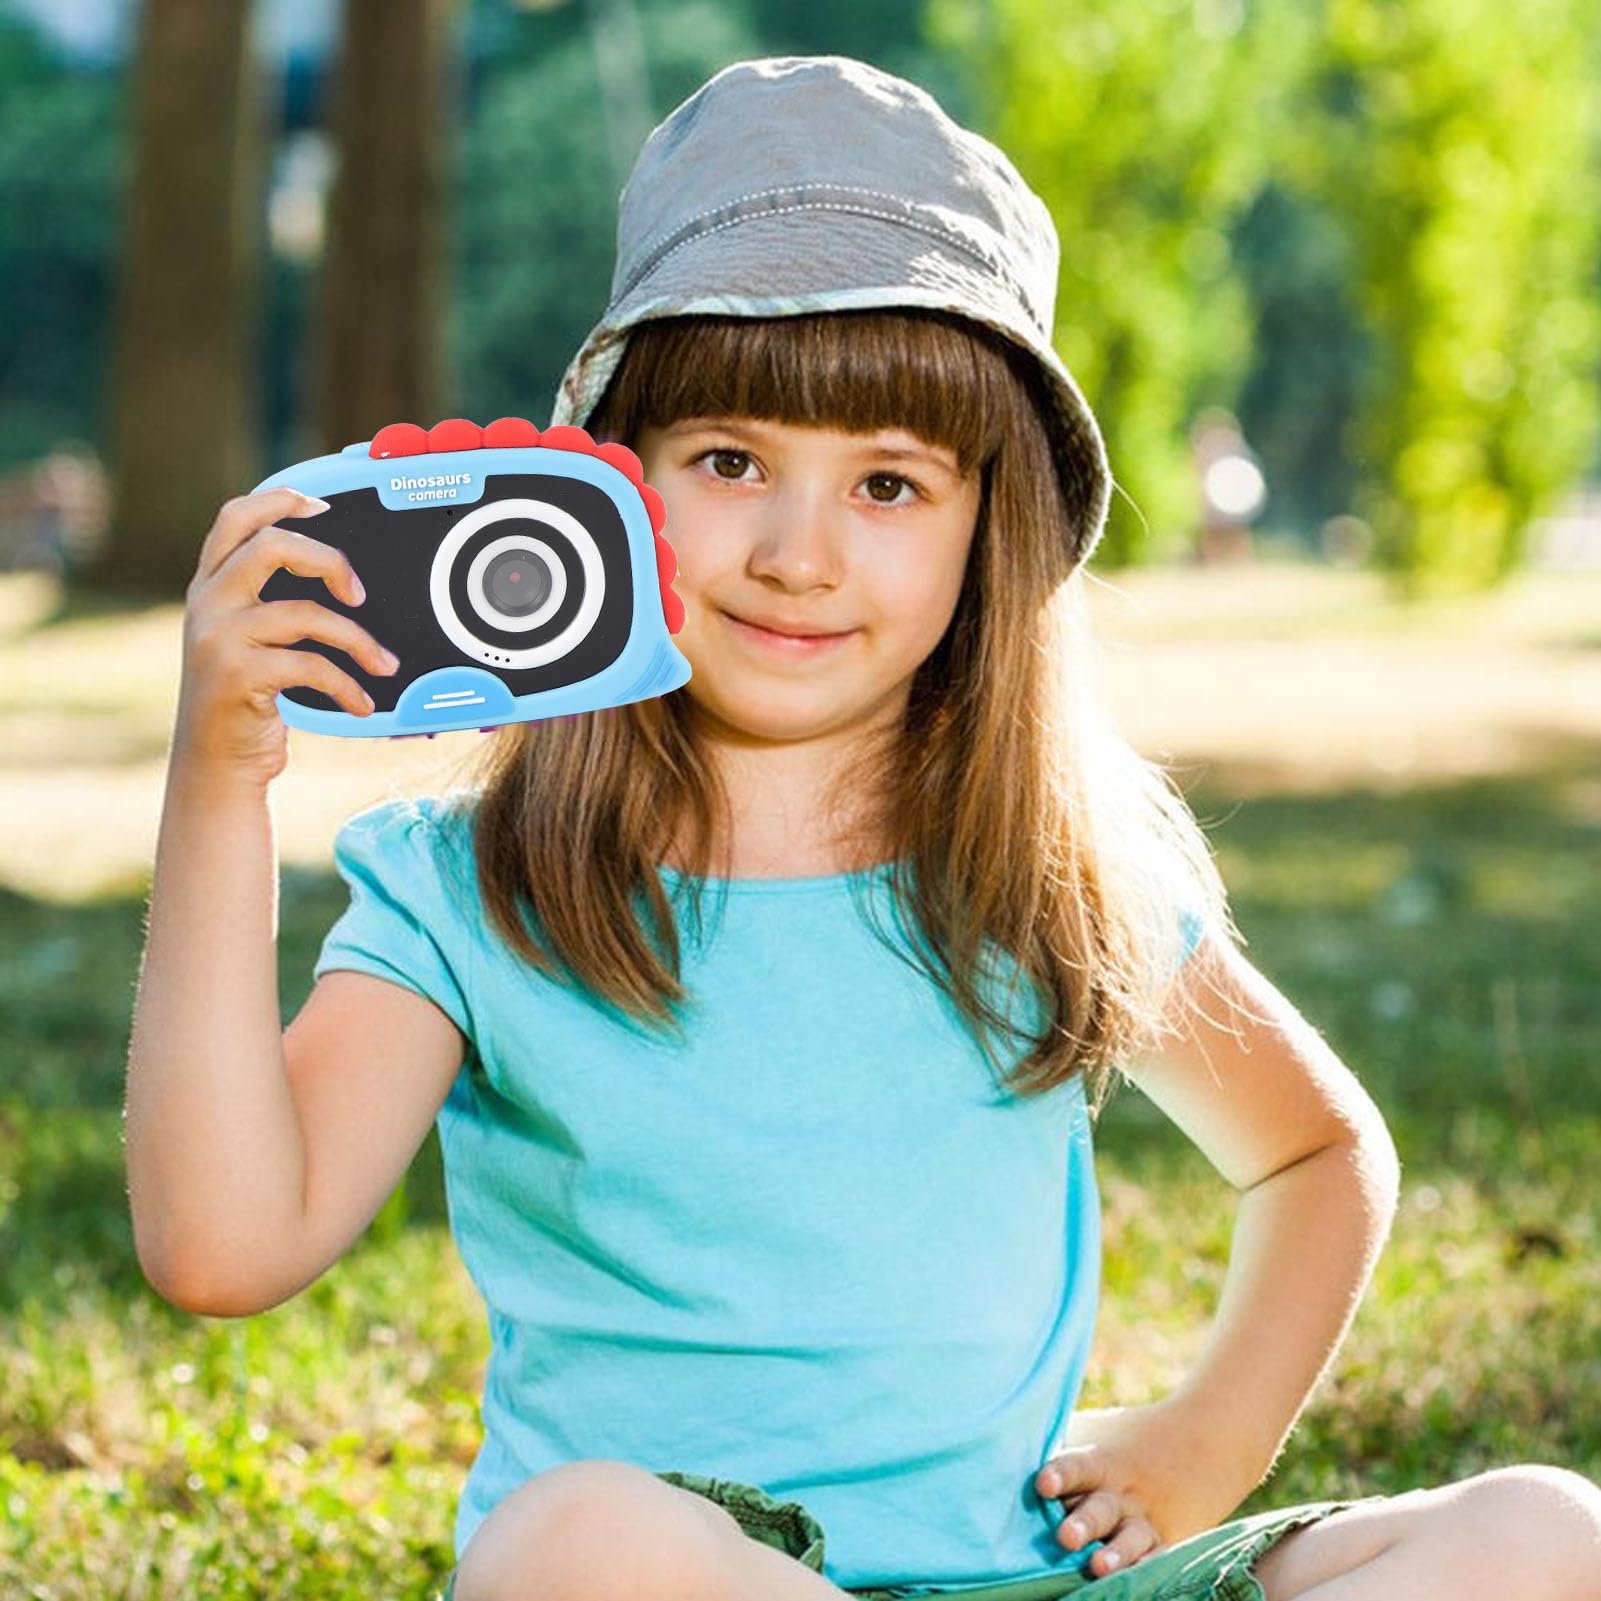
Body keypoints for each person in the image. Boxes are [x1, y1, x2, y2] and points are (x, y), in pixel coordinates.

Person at [123, 53, 1601, 1601]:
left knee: (1545, 1531)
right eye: (728, 460)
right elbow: (225, 1245)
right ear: (604, 487)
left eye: (889, 484)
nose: (798, 553)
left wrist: (1202, 1439)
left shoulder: (1052, 866)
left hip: (1037, 1576)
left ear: (991, 528)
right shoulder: (476, 890)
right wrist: (219, 782)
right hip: (699, 1574)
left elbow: (1313, 1149)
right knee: (571, 1543)